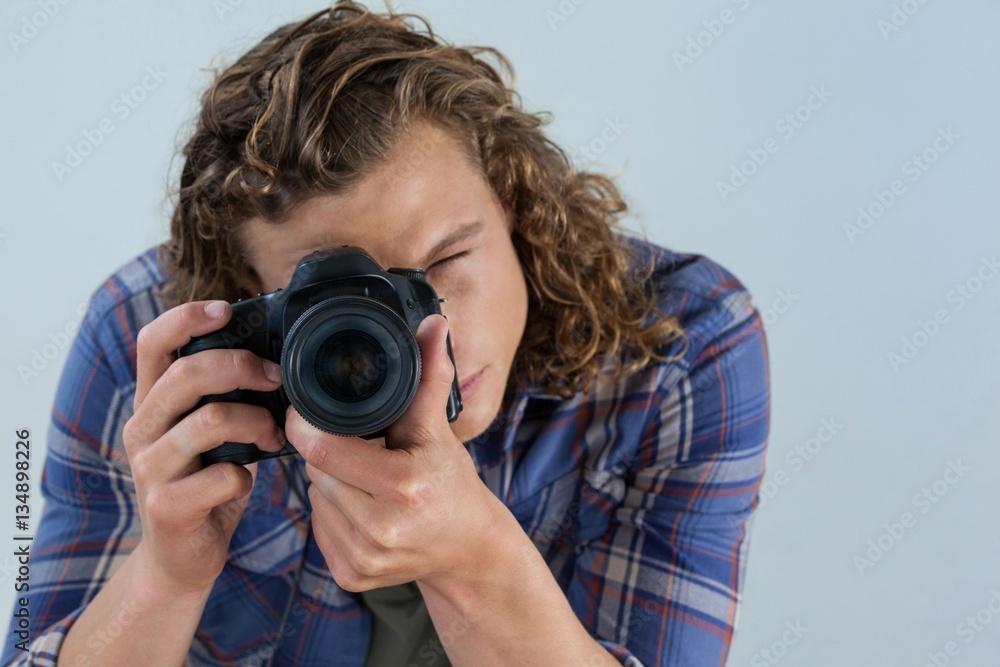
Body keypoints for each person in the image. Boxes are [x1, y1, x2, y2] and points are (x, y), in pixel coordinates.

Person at [2, 2, 770, 665]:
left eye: (447, 260)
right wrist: (164, 578)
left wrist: (477, 561)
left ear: (511, 199)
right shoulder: (157, 346)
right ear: (251, 299)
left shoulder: (677, 346)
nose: (427, 338)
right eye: (339, 302)